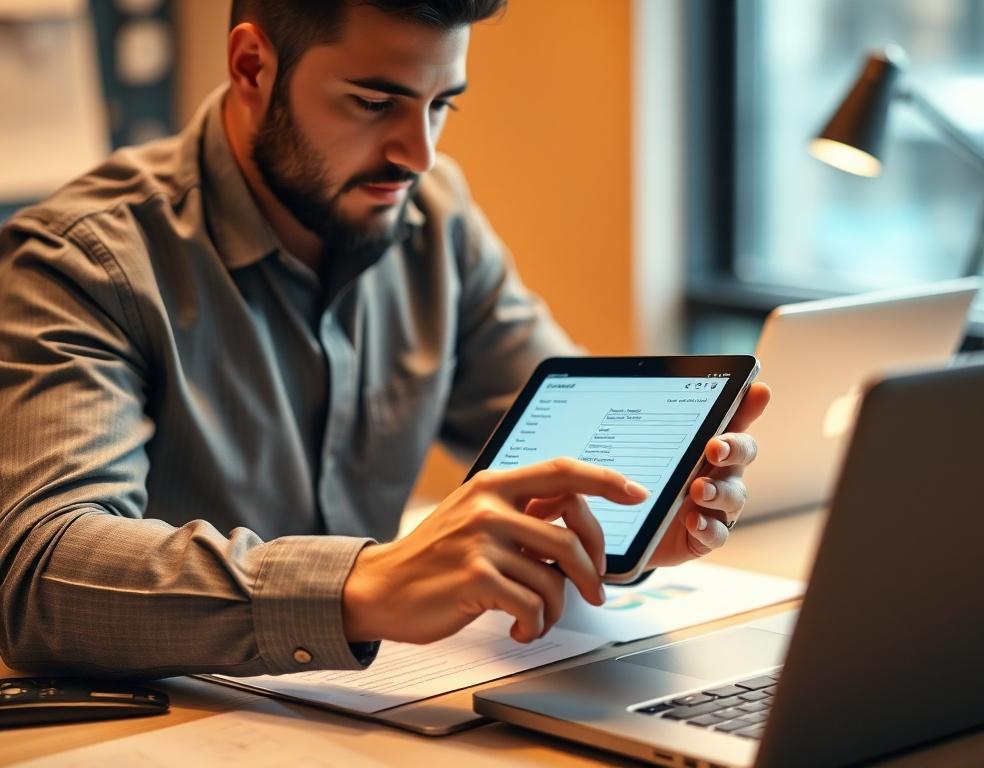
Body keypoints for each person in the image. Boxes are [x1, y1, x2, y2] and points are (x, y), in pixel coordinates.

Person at [0, 0, 769, 678]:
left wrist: (638, 508)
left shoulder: (434, 217)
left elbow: (565, 440)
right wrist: (364, 585)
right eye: (375, 103)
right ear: (251, 66)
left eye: (442, 106)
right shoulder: (80, 260)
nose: (418, 154)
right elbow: (37, 573)